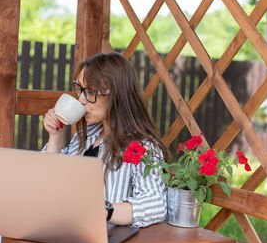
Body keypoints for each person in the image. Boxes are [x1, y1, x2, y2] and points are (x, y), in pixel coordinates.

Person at [43, 52, 171, 228]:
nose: (81, 100)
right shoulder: (88, 135)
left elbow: (155, 204)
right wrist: (55, 137)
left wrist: (103, 210)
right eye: (80, 90)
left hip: (106, 239)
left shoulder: (142, 146)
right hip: (67, 226)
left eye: (90, 92)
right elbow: (48, 181)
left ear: (116, 94)